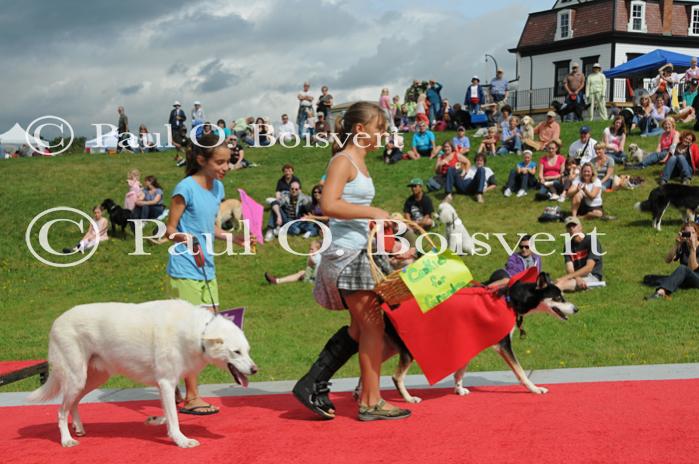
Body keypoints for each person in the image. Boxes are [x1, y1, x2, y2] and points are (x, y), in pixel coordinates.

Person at [294, 101, 411, 421]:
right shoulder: (343, 160)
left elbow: (350, 209)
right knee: (373, 327)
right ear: (360, 130)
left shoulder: (358, 161)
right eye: (379, 129)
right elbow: (329, 205)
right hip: (347, 255)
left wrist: (381, 223)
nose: (383, 135)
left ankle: (311, 383)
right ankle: (370, 401)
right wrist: (373, 213)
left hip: (360, 251)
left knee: (361, 330)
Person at [165, 133, 248, 415]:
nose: (226, 167)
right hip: (185, 267)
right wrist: (190, 244)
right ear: (202, 160)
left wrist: (232, 239)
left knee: (210, 331)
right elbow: (171, 230)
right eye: (221, 162)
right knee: (194, 334)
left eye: (229, 162)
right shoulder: (184, 188)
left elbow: (209, 227)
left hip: (207, 268)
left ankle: (176, 382)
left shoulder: (218, 189)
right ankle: (191, 396)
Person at [645, 223, 699, 301]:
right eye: (686, 233)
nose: (689, 236)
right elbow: (667, 260)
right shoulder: (683, 245)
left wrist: (693, 249)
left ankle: (661, 292)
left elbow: (692, 269)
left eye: (692, 233)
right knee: (649, 278)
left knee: (682, 268)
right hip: (686, 278)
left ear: (697, 234)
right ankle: (669, 285)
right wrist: (677, 245)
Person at [555, 217, 604, 292]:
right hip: (576, 277)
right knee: (557, 283)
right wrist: (577, 278)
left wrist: (566, 278)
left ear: (580, 227)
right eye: (569, 227)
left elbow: (589, 268)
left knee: (559, 285)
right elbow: (570, 268)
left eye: (574, 226)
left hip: (592, 277)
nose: (572, 229)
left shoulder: (591, 240)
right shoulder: (568, 245)